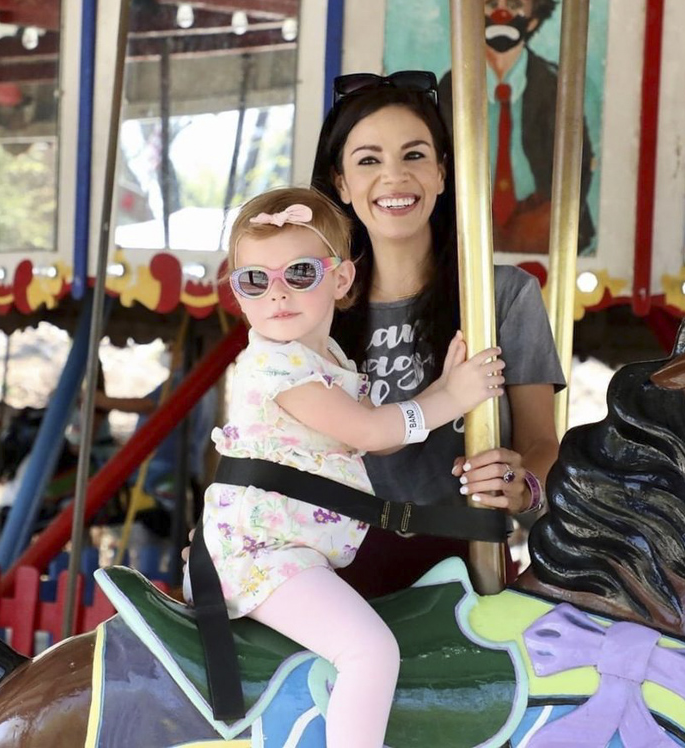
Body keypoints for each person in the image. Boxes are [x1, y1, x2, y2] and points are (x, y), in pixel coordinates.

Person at [199, 186, 506, 746]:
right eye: (254, 280)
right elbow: (369, 430)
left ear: (340, 281)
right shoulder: (275, 368)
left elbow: (375, 441)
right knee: (370, 650)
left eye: (298, 273)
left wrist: (439, 390)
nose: (277, 294)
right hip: (265, 557)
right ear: (238, 296)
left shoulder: (327, 360)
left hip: (292, 551)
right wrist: (452, 400)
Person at [311, 70, 566, 597]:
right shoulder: (316, 302)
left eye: (414, 155)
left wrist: (522, 486)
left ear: (444, 173)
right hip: (329, 560)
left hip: (464, 556)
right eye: (368, 161)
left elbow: (542, 441)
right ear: (341, 183)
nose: (393, 177)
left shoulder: (503, 296)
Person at [437, 0, 596, 254]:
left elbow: (580, 165)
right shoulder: (448, 90)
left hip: (541, 225)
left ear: (533, 20)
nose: (501, 14)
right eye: (490, 5)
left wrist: (549, 216)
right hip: (467, 227)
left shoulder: (557, 87)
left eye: (514, 5)